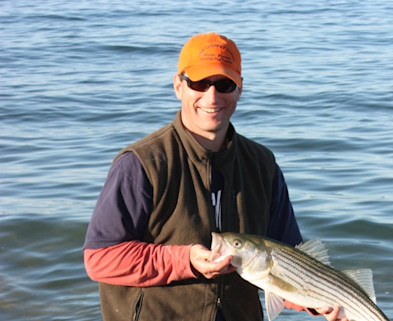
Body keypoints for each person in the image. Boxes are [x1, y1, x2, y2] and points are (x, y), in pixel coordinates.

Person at [84, 32, 348, 321]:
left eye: (223, 84)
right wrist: (185, 260)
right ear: (178, 86)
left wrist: (314, 301)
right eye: (199, 83)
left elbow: (288, 263)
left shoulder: (263, 164)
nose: (212, 97)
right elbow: (100, 259)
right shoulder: (141, 163)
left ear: (239, 89)